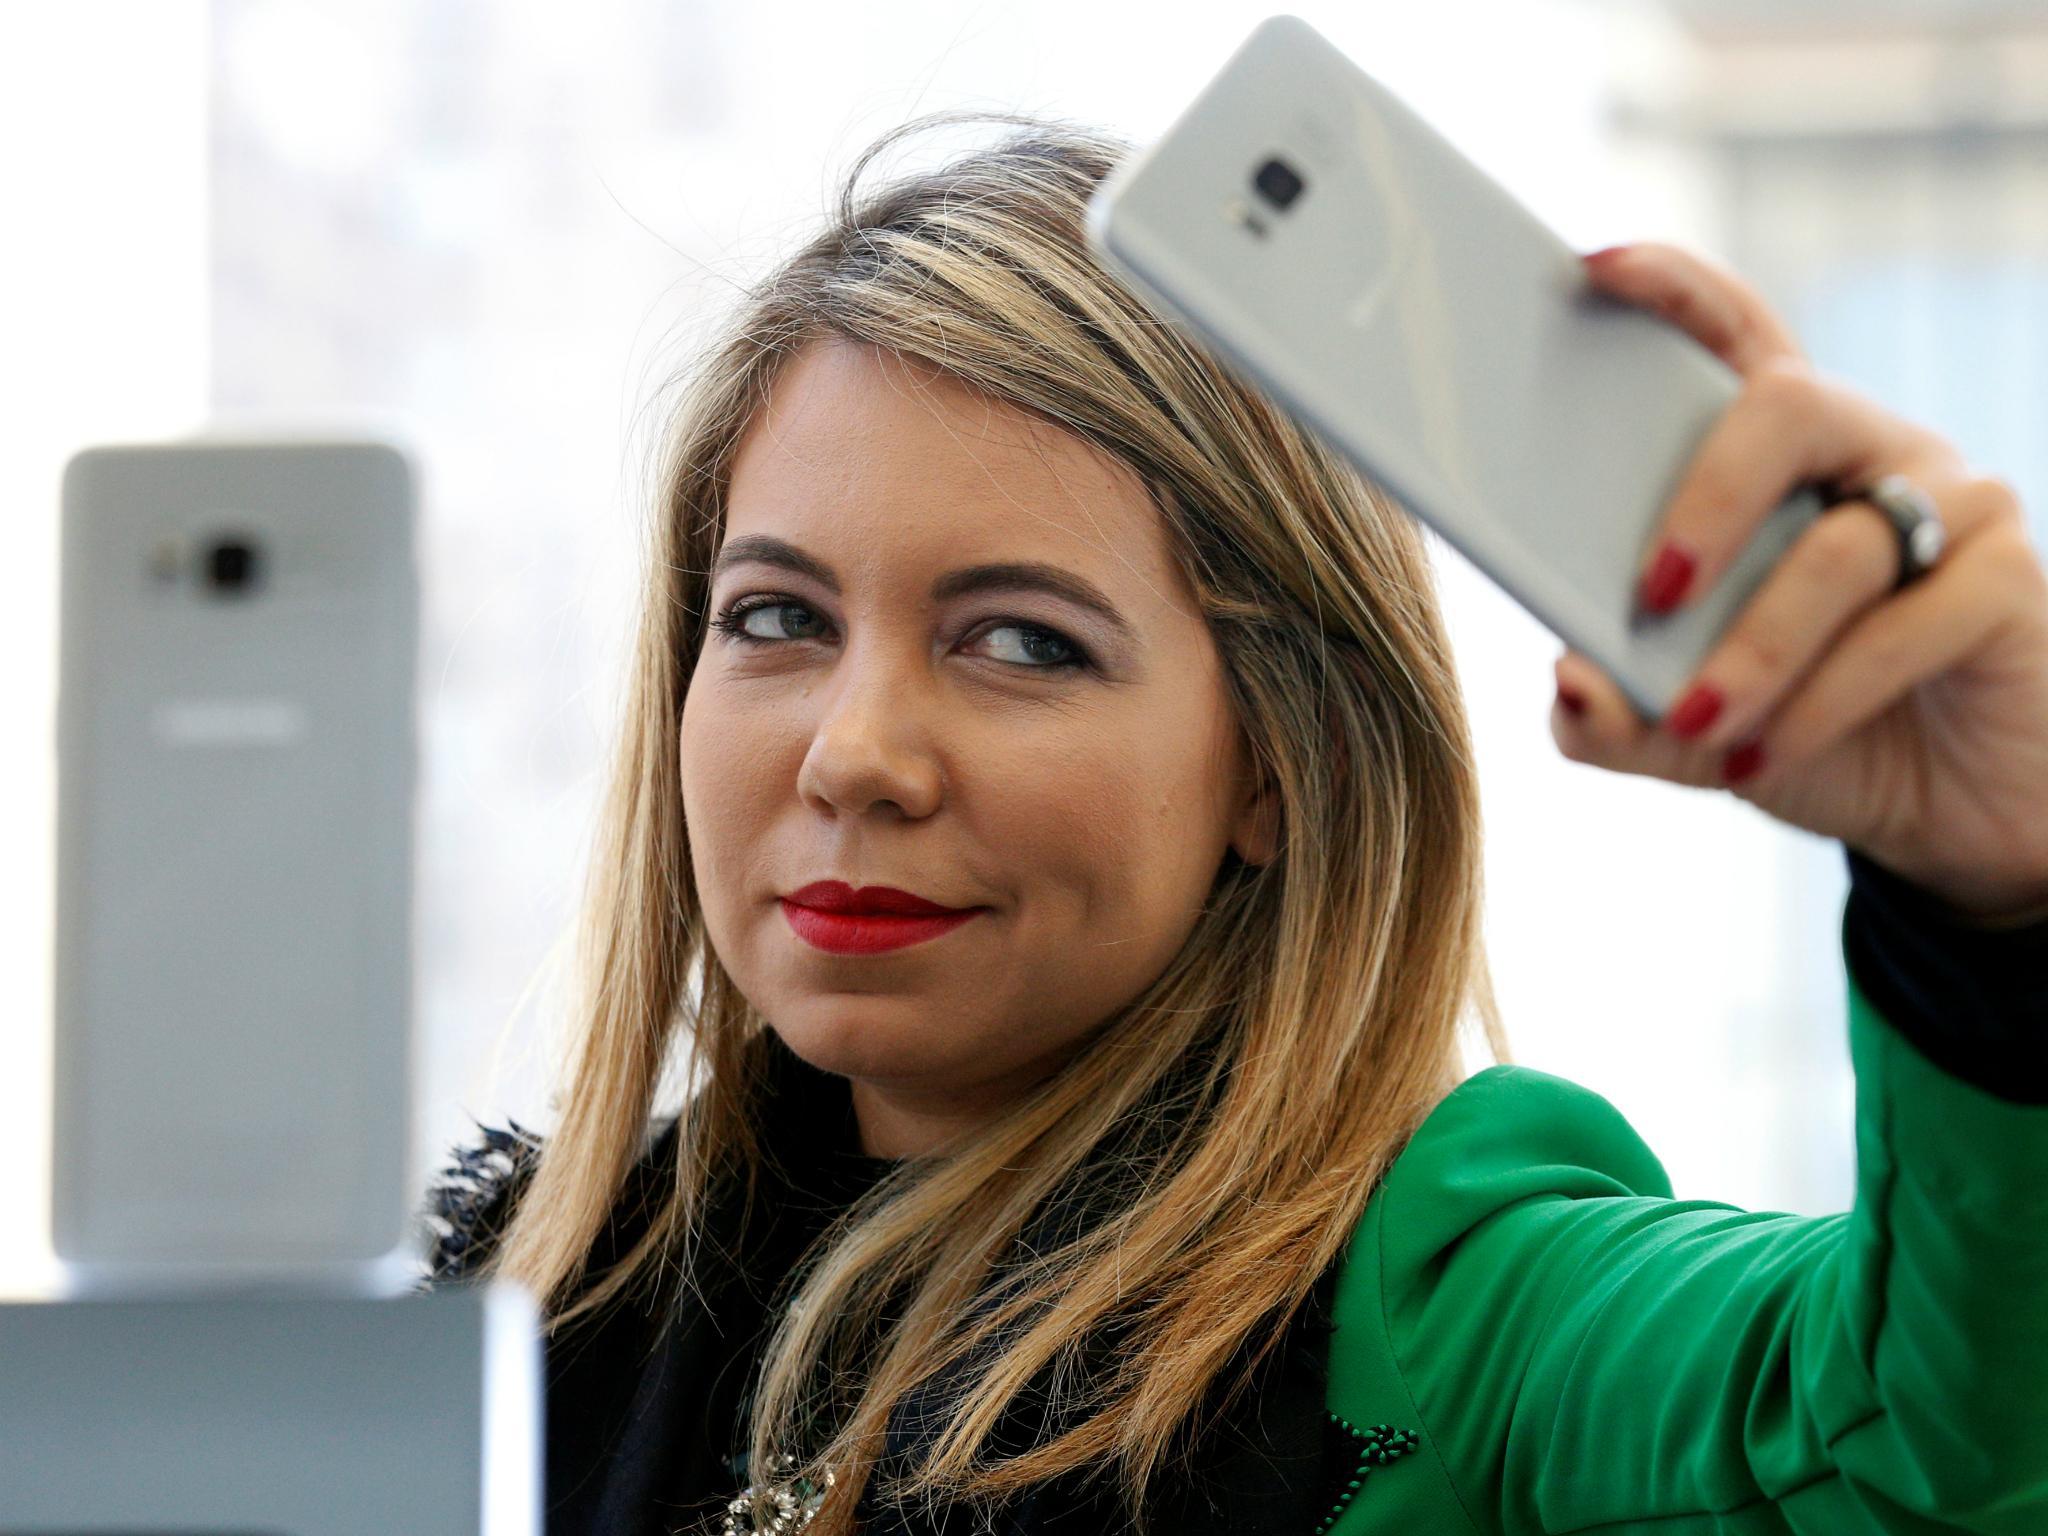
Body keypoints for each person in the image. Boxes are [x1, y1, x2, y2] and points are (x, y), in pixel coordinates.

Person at [418, 109, 2048, 1536]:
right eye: (777, 618)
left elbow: (1936, 1452)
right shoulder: (519, 1312)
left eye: (1022, 641)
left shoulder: (1453, 1312)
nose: (856, 755)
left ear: (1277, 762)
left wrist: (2002, 904)